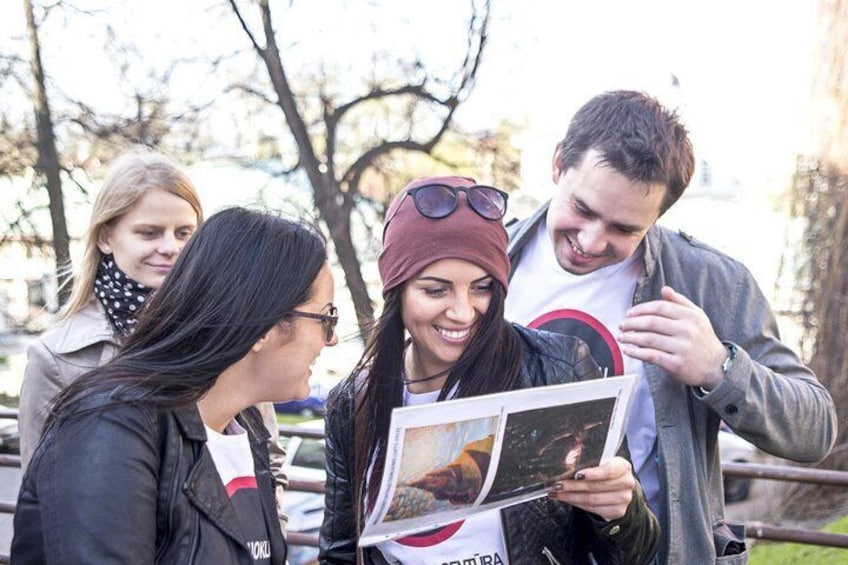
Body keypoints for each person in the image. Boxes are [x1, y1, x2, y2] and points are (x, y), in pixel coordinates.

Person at [504, 90, 838, 563]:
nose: (591, 240)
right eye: (582, 208)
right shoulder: (488, 259)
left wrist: (719, 369)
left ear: (658, 216)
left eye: (623, 229)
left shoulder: (709, 281)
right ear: (559, 162)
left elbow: (815, 428)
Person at [319, 176, 660, 565]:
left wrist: (620, 510)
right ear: (396, 289)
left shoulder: (558, 368)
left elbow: (636, 552)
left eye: (481, 288)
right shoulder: (353, 402)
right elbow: (341, 552)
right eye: (435, 290)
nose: (463, 312)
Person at [12, 207, 339, 564]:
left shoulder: (244, 427)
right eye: (325, 318)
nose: (331, 339)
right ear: (265, 325)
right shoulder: (110, 428)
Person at [16, 149, 289, 530]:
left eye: (184, 233)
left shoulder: (231, 335)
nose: (170, 248)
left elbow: (267, 461)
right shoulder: (58, 358)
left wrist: (269, 545)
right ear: (107, 237)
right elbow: (44, 496)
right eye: (148, 233)